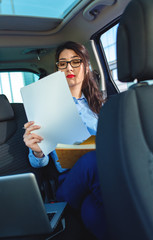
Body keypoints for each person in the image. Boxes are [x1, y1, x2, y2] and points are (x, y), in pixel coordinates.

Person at [23, 41, 107, 240]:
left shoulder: (98, 104)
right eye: (63, 63)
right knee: (91, 160)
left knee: (91, 212)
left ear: (86, 67)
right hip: (69, 182)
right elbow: (39, 163)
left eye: (76, 61)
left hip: (103, 175)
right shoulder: (45, 106)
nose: (69, 67)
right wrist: (37, 151)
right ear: (58, 70)